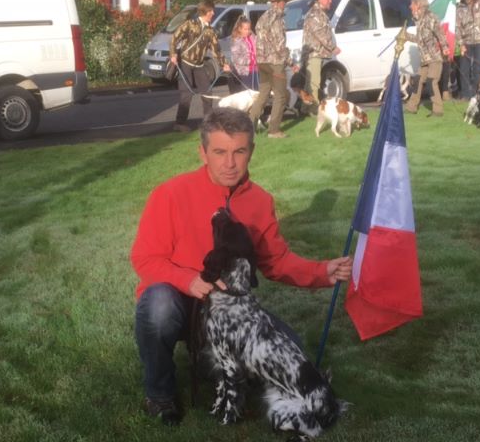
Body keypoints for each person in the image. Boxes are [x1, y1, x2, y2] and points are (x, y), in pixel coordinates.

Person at [130, 108, 352, 425]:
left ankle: (227, 373)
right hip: (181, 300)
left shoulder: (260, 201)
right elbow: (144, 258)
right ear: (203, 152)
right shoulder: (170, 193)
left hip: (231, 310)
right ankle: (160, 394)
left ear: (251, 151)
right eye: (219, 152)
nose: (230, 163)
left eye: (239, 151)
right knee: (158, 307)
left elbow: (276, 262)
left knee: (292, 346)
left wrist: (322, 271)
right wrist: (188, 279)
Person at [169, 1, 229, 133]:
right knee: (186, 94)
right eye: (211, 11)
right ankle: (179, 123)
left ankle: (208, 123)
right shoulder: (190, 24)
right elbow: (174, 38)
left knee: (207, 93)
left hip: (199, 65)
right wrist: (173, 54)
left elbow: (216, 50)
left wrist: (224, 64)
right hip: (185, 63)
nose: (213, 13)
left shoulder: (210, 31)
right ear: (204, 12)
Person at [249, 0, 295, 139]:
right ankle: (274, 130)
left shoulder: (264, 16)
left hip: (261, 61)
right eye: (285, 2)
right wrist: (291, 62)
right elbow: (279, 45)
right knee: (280, 96)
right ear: (281, 2)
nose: (285, 5)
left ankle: (249, 126)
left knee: (263, 93)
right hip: (275, 62)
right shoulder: (277, 18)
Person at [403, 0, 450, 117]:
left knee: (431, 82)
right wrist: (405, 35)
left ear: (418, 4)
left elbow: (440, 33)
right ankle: (411, 107)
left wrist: (445, 47)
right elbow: (420, 39)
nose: (409, 6)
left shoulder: (430, 17)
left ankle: (438, 110)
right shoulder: (419, 20)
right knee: (418, 81)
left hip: (434, 58)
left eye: (411, 4)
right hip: (425, 60)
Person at [301, 0, 340, 109]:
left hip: (316, 53)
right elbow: (320, 34)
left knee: (310, 82)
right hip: (314, 54)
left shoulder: (319, 13)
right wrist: (332, 47)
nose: (330, 1)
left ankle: (306, 108)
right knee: (314, 83)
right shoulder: (315, 14)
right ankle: (314, 109)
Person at [228, 15, 257, 93]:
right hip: (244, 72)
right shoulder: (236, 41)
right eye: (245, 29)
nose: (247, 31)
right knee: (248, 94)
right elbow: (235, 58)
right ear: (240, 29)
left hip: (255, 70)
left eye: (248, 29)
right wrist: (250, 59)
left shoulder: (253, 37)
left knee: (256, 93)